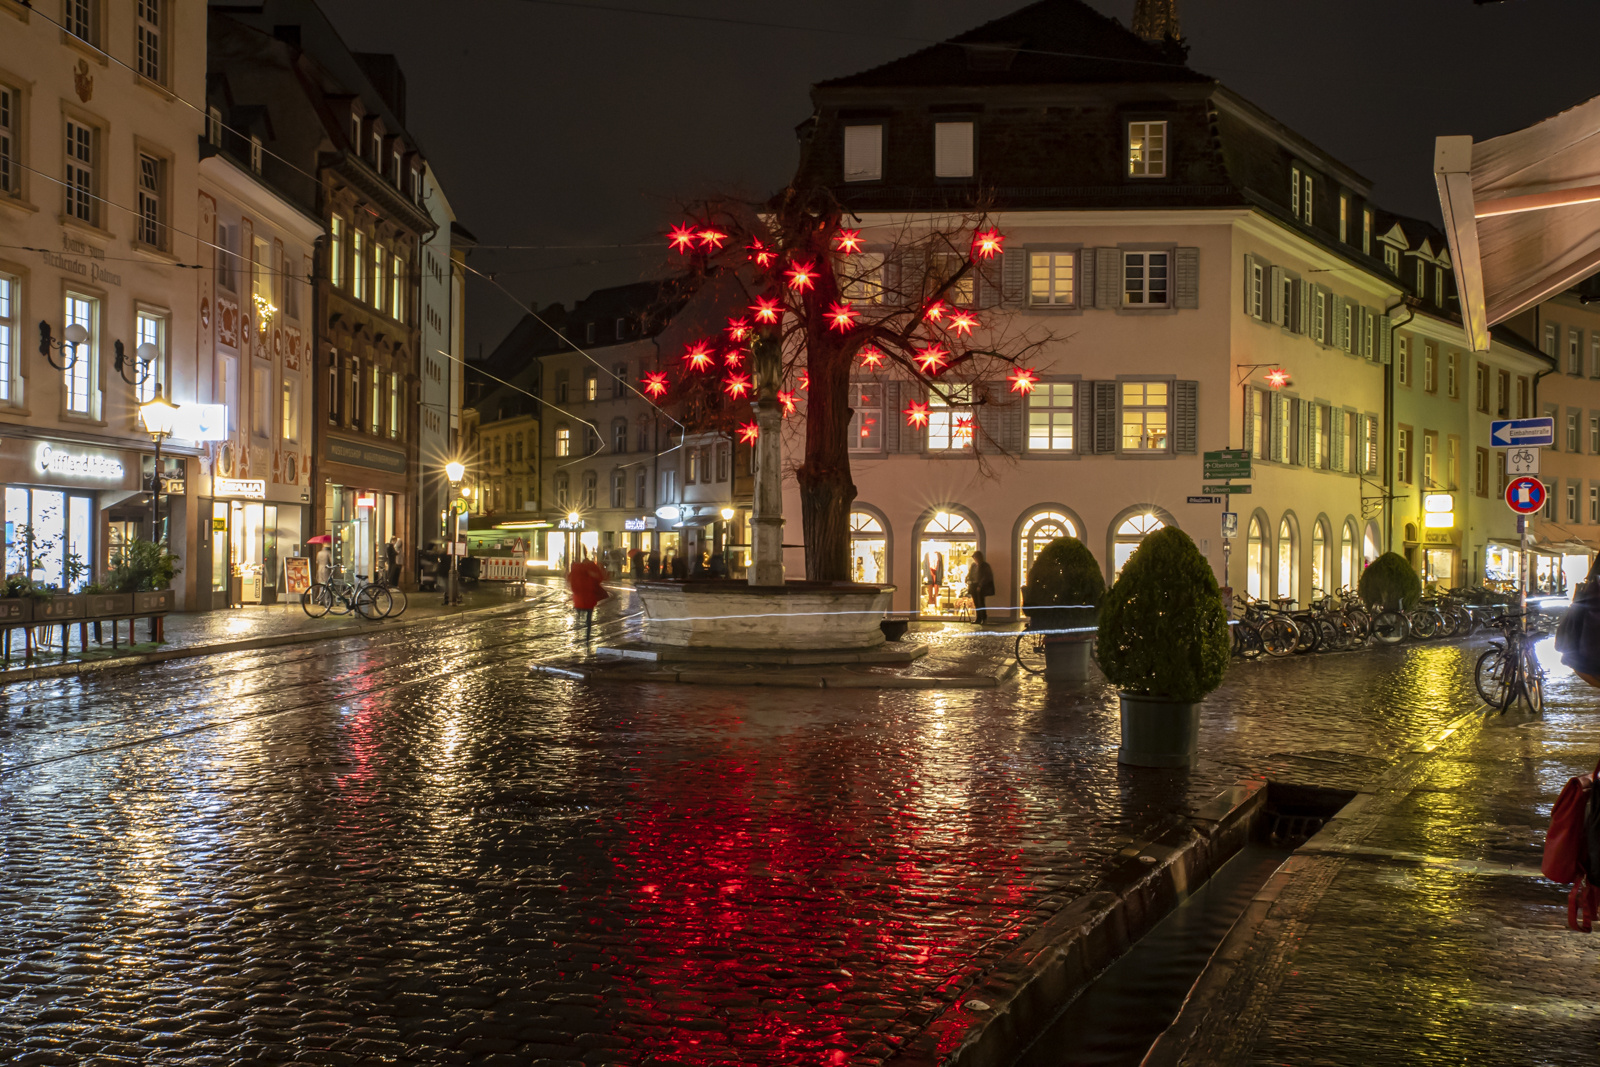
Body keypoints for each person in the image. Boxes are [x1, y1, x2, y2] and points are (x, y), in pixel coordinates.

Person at [566, 550, 610, 641]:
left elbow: (570, 581)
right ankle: (586, 637)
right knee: (588, 619)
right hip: (589, 598)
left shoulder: (577, 570)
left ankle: (577, 633)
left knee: (579, 616)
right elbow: (599, 578)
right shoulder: (590, 569)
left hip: (579, 598)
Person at [966, 550, 996, 625]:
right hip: (974, 585)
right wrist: (967, 579)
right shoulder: (973, 565)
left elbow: (987, 576)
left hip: (981, 587)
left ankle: (983, 618)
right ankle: (978, 618)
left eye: (975, 557)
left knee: (981, 603)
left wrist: (980, 585)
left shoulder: (985, 565)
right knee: (976, 603)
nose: (975, 559)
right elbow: (970, 574)